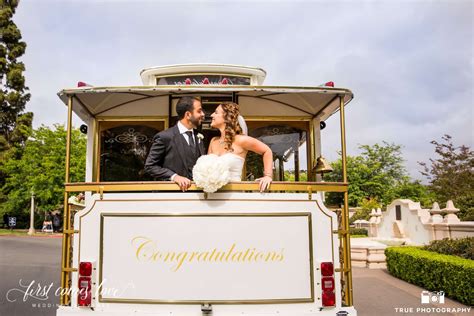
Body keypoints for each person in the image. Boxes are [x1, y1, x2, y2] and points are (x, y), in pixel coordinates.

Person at [208, 102, 273, 192]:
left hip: (233, 195)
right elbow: (207, 168)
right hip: (213, 196)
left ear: (227, 117)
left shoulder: (241, 140)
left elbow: (267, 151)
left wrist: (268, 176)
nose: (212, 115)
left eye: (216, 112)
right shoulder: (213, 141)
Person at [145, 96, 205, 191]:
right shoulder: (165, 137)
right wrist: (174, 177)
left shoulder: (200, 137)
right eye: (199, 111)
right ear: (188, 114)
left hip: (199, 194)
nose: (203, 114)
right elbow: (150, 166)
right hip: (173, 195)